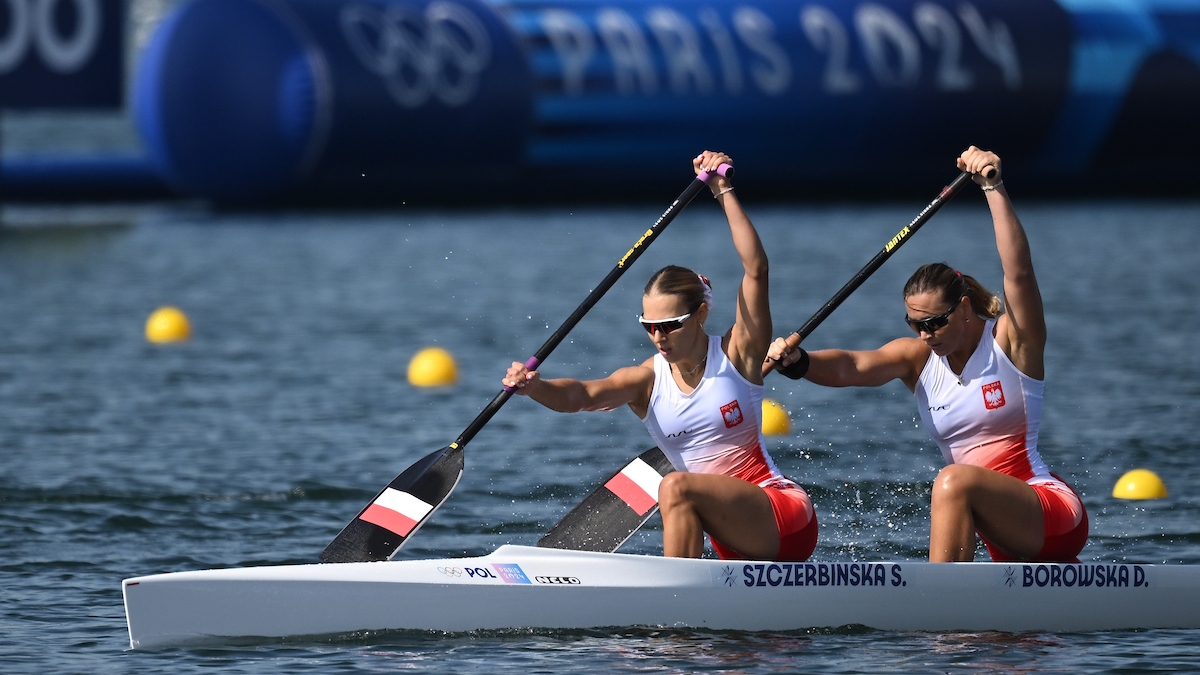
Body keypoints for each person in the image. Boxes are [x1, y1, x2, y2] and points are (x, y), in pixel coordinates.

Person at [767, 146, 1087, 563]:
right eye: (915, 324)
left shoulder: (1013, 341)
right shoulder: (917, 359)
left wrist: (992, 186)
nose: (926, 334)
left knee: (952, 482)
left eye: (935, 322)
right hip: (998, 526)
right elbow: (852, 366)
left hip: (1049, 511)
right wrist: (799, 362)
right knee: (992, 627)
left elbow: (1019, 274)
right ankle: (955, 617)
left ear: (966, 308)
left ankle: (937, 613)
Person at [504, 151, 817, 562]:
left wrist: (723, 190)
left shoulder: (738, 353)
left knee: (673, 486)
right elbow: (581, 395)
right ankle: (682, 617)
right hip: (727, 535)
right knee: (678, 490)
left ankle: (673, 621)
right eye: (648, 326)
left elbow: (756, 269)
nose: (658, 336)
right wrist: (536, 387)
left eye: (670, 324)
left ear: (702, 314)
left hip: (782, 515)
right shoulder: (646, 381)